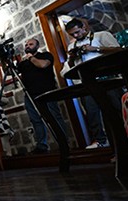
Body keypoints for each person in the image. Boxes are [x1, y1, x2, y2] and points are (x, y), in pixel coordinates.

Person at [64, 18, 122, 149]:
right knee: (92, 113)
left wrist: (95, 49)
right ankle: (101, 140)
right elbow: (71, 65)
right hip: (87, 82)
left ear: (84, 27)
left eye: (77, 32)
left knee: (115, 109)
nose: (75, 36)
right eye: (72, 34)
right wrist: (72, 57)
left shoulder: (101, 35)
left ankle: (122, 139)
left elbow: (118, 51)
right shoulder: (71, 46)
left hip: (107, 79)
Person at [16, 38, 68, 154]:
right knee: (35, 120)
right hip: (30, 95)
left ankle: (63, 143)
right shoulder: (23, 63)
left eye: (30, 44)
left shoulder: (46, 55)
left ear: (37, 46)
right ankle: (42, 146)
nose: (27, 46)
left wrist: (30, 57)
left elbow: (42, 65)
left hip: (47, 92)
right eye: (26, 45)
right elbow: (11, 72)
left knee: (54, 116)